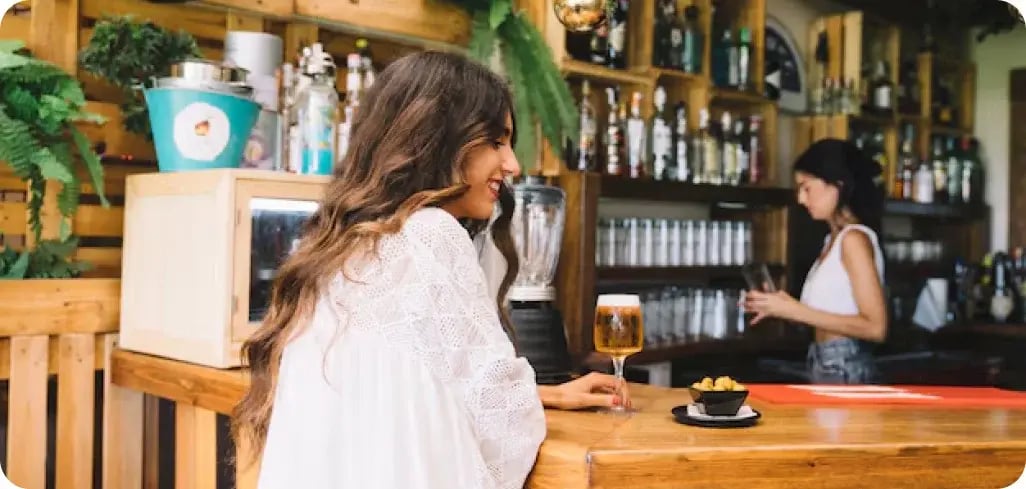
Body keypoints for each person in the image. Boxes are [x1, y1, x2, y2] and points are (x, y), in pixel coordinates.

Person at [232, 51, 627, 489]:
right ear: (438, 139)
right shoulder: (431, 234)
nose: (513, 165)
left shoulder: (340, 244)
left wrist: (545, 395)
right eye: (496, 142)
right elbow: (503, 423)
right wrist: (527, 403)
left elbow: (401, 395)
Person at [744, 138, 887, 384]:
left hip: (846, 364)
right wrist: (779, 306)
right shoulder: (832, 240)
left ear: (837, 186)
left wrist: (795, 310)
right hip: (824, 361)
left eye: (806, 187)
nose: (800, 198)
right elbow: (826, 314)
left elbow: (876, 328)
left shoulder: (854, 239)